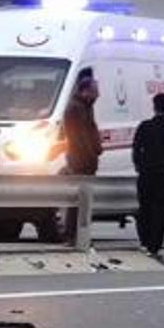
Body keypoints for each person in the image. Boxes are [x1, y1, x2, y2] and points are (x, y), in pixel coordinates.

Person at [132, 93, 164, 256]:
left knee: (145, 207)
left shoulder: (145, 127)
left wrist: (140, 166)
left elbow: (136, 149)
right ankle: (155, 244)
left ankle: (145, 240)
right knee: (160, 209)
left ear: (154, 106)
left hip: (147, 173)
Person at [62, 68, 102, 244]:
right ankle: (73, 234)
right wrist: (91, 152)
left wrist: (97, 148)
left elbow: (92, 129)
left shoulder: (86, 107)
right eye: (95, 91)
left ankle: (79, 233)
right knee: (78, 200)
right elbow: (79, 137)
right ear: (85, 91)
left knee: (83, 201)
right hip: (80, 161)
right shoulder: (75, 108)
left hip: (87, 159)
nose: (97, 95)